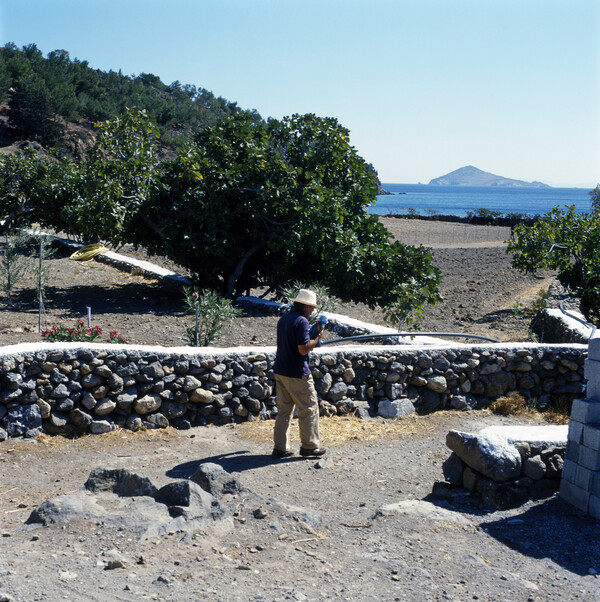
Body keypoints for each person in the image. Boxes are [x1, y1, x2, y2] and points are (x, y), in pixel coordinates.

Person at [272, 288, 327, 458]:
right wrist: (317, 337)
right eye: (311, 307)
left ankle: (280, 448)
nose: (312, 310)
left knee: (284, 410)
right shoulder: (302, 321)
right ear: (305, 306)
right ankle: (309, 446)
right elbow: (303, 349)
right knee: (309, 408)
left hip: (281, 369)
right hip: (297, 372)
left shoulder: (284, 318)